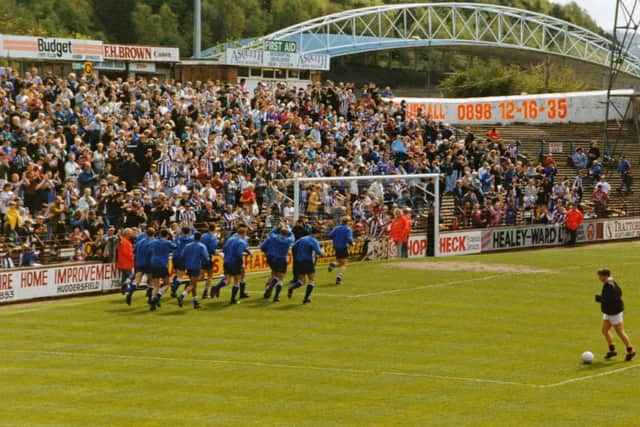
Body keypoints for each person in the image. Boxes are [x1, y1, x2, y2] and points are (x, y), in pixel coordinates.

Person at [595, 269, 635, 361]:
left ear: (605, 276)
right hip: (609, 312)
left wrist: (600, 299)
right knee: (605, 330)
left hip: (614, 313)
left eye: (600, 276)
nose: (599, 278)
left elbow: (612, 299)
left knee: (620, 332)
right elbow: (620, 293)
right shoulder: (611, 282)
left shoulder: (610, 285)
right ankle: (612, 350)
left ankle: (631, 351)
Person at [211, 225, 250, 304]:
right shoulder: (241, 242)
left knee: (227, 280)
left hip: (226, 261)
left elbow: (224, 248)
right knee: (237, 280)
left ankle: (216, 287)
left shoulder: (230, 239)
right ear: (244, 234)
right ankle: (233, 299)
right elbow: (239, 254)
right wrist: (244, 258)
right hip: (235, 262)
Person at [288, 227, 324, 303]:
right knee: (311, 281)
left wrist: (297, 256)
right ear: (317, 233)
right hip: (308, 261)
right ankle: (305, 298)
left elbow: (294, 247)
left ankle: (291, 287)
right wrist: (322, 251)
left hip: (299, 262)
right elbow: (319, 252)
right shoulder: (313, 240)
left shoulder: (302, 238)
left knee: (301, 281)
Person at [261, 224, 294, 302]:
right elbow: (292, 235)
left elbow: (263, 247)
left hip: (272, 258)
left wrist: (279, 226)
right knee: (280, 278)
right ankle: (276, 296)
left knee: (273, 274)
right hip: (282, 258)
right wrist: (287, 229)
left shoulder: (272, 238)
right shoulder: (288, 240)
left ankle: (268, 289)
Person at [177, 232, 210, 309]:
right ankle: (182, 295)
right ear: (200, 238)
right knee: (193, 285)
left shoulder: (187, 246)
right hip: (196, 266)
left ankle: (196, 302)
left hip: (188, 266)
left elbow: (182, 256)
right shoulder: (202, 246)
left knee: (193, 284)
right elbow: (206, 257)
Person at [148, 228, 177, 311]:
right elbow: (175, 246)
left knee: (156, 285)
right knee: (167, 284)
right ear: (167, 235)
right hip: (162, 264)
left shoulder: (154, 241)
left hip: (154, 263)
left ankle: (153, 302)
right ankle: (158, 296)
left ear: (160, 235)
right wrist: (172, 236)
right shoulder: (167, 243)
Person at [128, 227, 155, 306]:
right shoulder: (154, 242)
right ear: (154, 234)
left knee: (137, 280)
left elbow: (134, 251)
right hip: (148, 264)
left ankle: (129, 293)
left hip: (139, 263)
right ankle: (150, 299)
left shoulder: (140, 242)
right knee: (151, 281)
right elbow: (152, 253)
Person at [328, 216, 354, 285]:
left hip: (336, 247)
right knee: (344, 264)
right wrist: (352, 243)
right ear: (348, 222)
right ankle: (339, 277)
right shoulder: (348, 229)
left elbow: (330, 235)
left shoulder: (336, 228)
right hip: (343, 247)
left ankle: (333, 264)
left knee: (339, 262)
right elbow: (349, 238)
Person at [170, 226, 194, 298]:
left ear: (182, 231)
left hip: (175, 257)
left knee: (177, 274)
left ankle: (173, 289)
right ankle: (173, 289)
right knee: (180, 276)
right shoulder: (191, 239)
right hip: (183, 258)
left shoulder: (178, 237)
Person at [200, 224, 219, 299]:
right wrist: (215, 253)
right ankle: (205, 292)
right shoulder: (213, 237)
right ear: (214, 229)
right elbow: (212, 249)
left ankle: (189, 284)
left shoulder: (203, 235)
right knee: (210, 276)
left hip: (201, 256)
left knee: (201, 276)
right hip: (207, 257)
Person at [116, 228, 135, 295]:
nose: (131, 235)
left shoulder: (123, 241)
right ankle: (128, 289)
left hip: (122, 262)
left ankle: (123, 289)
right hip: (127, 263)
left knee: (124, 276)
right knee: (130, 276)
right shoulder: (125, 242)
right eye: (130, 234)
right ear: (127, 234)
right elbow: (127, 253)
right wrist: (133, 258)